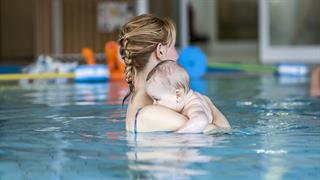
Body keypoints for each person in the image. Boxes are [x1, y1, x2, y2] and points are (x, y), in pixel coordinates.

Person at [118, 14, 230, 133]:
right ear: (160, 50)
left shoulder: (139, 103)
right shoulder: (149, 114)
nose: (177, 55)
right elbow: (221, 131)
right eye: (173, 46)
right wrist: (207, 103)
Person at [146, 60, 226, 133]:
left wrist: (178, 135)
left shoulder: (194, 105)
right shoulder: (189, 98)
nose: (154, 104)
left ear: (178, 95)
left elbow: (201, 121)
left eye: (157, 99)